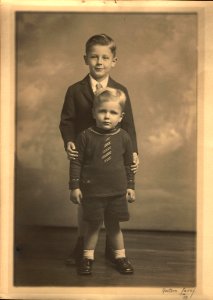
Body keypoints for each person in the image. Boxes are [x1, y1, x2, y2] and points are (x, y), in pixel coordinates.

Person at [59, 33, 139, 264]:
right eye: (94, 57)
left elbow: (129, 124)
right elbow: (67, 121)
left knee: (112, 205)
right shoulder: (75, 90)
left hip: (113, 157)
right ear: (86, 59)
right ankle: (82, 244)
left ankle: (111, 250)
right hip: (86, 156)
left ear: (114, 61)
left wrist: (133, 151)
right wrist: (69, 141)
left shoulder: (120, 90)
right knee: (86, 203)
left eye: (105, 57)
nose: (99, 62)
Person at [70, 88, 136, 275]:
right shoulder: (85, 136)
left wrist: (130, 186)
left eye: (113, 112)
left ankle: (120, 257)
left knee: (114, 226)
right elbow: (76, 162)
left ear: (121, 116)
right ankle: (87, 258)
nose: (107, 116)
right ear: (93, 112)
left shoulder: (124, 137)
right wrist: (74, 186)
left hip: (116, 192)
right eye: (102, 111)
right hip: (93, 192)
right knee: (92, 225)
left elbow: (128, 164)